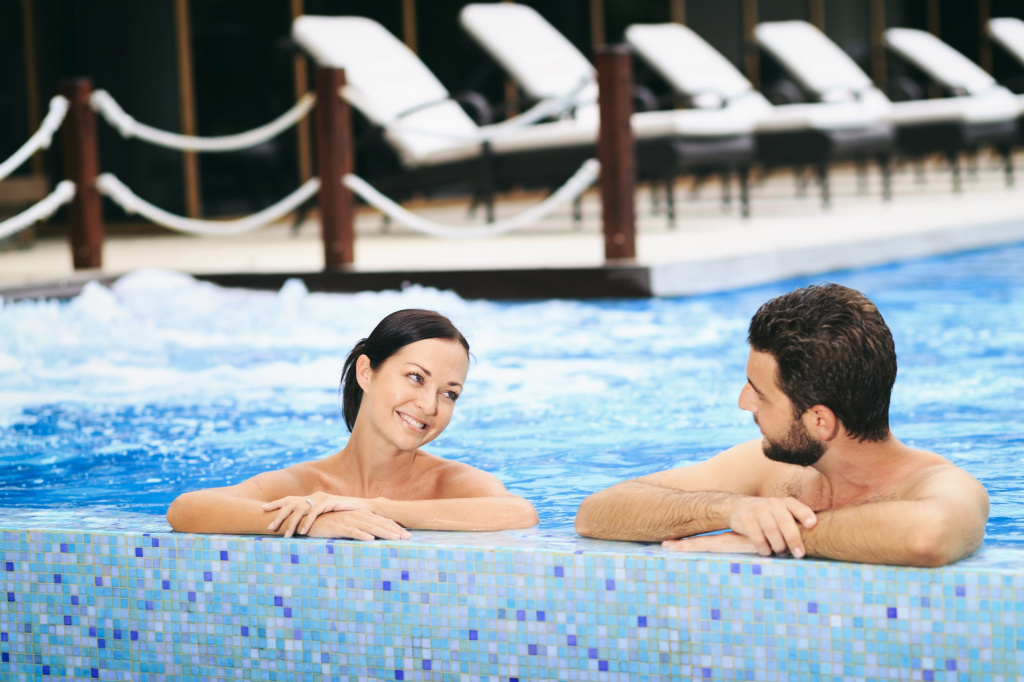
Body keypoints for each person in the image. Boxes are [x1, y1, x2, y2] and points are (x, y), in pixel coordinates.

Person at [574, 284, 989, 567]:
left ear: (819, 421)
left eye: (760, 392)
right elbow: (596, 514)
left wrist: (781, 537)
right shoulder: (770, 469)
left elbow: (926, 536)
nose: (743, 402)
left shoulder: (938, 484)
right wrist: (732, 509)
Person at [167, 309, 538, 539]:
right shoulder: (309, 486)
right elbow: (187, 508)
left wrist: (371, 507)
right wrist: (309, 522)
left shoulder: (450, 483)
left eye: (449, 393)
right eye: (415, 377)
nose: (429, 405)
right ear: (366, 372)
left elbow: (519, 513)